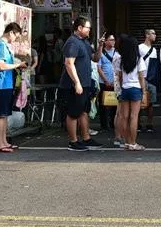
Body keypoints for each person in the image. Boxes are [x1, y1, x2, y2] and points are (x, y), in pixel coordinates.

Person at [61, 17, 104, 152]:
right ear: (79, 28)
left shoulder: (85, 42)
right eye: (87, 28)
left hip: (85, 83)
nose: (89, 30)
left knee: (84, 111)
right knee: (73, 112)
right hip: (73, 85)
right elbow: (69, 63)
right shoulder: (72, 42)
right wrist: (77, 83)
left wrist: (100, 45)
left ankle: (86, 138)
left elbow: (95, 58)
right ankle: (73, 141)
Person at [0, 22, 26, 153]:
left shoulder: (4, 46)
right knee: (1, 115)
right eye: (16, 36)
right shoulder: (0, 45)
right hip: (1, 84)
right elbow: (1, 66)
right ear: (11, 32)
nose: (15, 39)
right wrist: (17, 65)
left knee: (5, 114)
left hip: (7, 83)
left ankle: (4, 141)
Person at [114, 34, 147, 150]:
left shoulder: (120, 59)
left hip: (125, 89)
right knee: (134, 117)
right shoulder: (138, 59)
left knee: (124, 117)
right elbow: (141, 77)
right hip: (135, 88)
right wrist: (143, 93)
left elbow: (119, 76)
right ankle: (133, 143)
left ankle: (127, 142)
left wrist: (123, 86)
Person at [138, 29, 158, 134]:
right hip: (141, 78)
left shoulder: (154, 50)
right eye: (152, 33)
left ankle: (150, 124)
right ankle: (138, 124)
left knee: (151, 103)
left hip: (151, 79)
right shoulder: (140, 47)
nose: (155, 35)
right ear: (147, 35)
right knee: (140, 103)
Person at [97, 32, 117, 132]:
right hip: (103, 82)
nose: (113, 42)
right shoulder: (101, 52)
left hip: (115, 82)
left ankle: (113, 123)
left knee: (115, 104)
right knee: (103, 104)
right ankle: (104, 125)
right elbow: (99, 68)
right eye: (111, 40)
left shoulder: (117, 52)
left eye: (114, 40)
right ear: (106, 41)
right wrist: (105, 80)